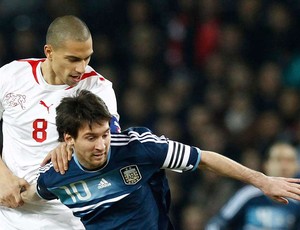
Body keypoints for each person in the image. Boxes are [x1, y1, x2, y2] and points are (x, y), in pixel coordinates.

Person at [22, 90, 300, 230]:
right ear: (68, 139)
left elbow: (203, 158)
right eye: (91, 137)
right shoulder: (56, 175)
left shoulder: (138, 148)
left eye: (105, 134)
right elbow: (31, 195)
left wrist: (261, 180)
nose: (101, 145)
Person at [0, 15, 120, 230]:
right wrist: (1, 174)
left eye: (87, 58)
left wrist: (75, 146)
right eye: (73, 59)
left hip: (68, 219)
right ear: (49, 52)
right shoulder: (11, 76)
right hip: (9, 215)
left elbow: (113, 142)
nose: (82, 68)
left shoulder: (98, 88)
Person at [205, 142, 300, 230]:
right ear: (266, 164)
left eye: (289, 160)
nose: (284, 166)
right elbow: (217, 224)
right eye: (278, 159)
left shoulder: (297, 202)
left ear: (297, 166)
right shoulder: (248, 195)